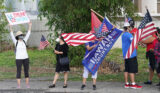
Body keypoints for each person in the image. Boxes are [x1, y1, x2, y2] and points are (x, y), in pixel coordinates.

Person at [9, 22, 32, 89]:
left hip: (26, 58)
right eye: (20, 35)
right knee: (18, 71)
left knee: (26, 71)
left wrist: (30, 25)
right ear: (17, 36)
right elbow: (11, 34)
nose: (21, 36)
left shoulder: (25, 41)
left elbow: (29, 33)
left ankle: (27, 85)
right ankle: (18, 85)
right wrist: (10, 26)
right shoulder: (15, 42)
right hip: (18, 59)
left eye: (22, 35)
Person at [122, 20, 142, 89]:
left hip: (125, 55)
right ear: (128, 27)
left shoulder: (123, 35)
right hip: (131, 54)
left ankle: (126, 83)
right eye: (130, 27)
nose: (130, 28)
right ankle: (133, 84)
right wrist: (138, 41)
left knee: (126, 69)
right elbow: (134, 42)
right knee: (131, 70)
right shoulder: (128, 34)